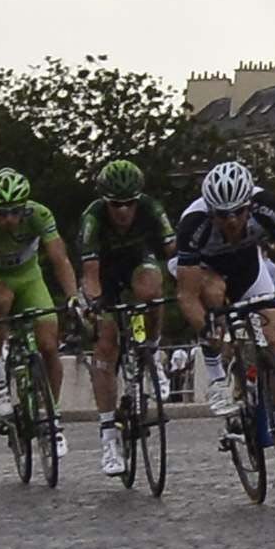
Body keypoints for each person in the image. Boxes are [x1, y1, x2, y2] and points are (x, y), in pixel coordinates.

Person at [168, 161, 275, 447]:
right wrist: (207, 329)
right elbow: (186, 296)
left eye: (239, 212)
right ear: (211, 212)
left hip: (246, 264)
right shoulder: (193, 224)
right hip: (202, 267)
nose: (233, 220)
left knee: (272, 338)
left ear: (249, 205)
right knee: (213, 293)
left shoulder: (267, 206)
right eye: (223, 215)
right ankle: (216, 375)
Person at [76, 157, 180, 477]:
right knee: (106, 344)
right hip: (104, 275)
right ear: (106, 202)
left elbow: (173, 251)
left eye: (129, 203)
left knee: (151, 288)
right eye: (116, 204)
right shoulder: (92, 219)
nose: (123, 211)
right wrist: (95, 305)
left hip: (137, 262)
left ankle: (151, 350)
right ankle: (108, 437)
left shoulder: (151, 208)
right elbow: (90, 275)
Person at [0, 172, 82, 439]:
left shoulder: (40, 214)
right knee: (0, 303)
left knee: (50, 344)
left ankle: (51, 413)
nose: (9, 220)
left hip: (30, 277)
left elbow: (60, 260)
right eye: (1, 214)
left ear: (25, 207)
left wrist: (73, 296)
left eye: (15, 212)